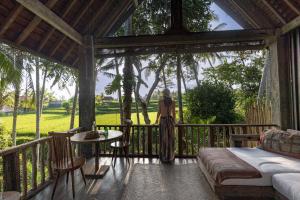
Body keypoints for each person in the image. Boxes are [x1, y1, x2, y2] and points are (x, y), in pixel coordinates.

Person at [155, 88, 176, 163]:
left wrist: (156, 120)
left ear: (163, 94)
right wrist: (174, 122)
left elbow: (159, 112)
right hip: (170, 122)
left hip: (163, 121)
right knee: (170, 139)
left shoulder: (160, 102)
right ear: (169, 93)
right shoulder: (173, 102)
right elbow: (174, 113)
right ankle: (170, 157)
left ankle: (164, 157)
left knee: (163, 139)